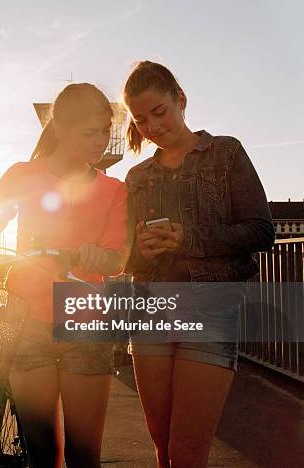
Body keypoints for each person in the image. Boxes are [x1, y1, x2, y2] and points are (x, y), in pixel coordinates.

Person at [0, 83, 129, 468]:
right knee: (41, 452)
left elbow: (119, 257)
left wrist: (98, 256)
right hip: (26, 320)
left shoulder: (113, 189)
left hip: (83, 321)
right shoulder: (22, 175)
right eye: (90, 132)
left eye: (106, 131)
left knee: (85, 455)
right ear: (62, 130)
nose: (101, 141)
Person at [122, 61, 275, 467]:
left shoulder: (226, 153)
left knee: (188, 454)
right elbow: (126, 258)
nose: (152, 125)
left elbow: (262, 230)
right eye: (141, 119)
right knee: (163, 451)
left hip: (210, 310)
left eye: (160, 111)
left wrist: (188, 238)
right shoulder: (137, 177)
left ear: (181, 100)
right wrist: (141, 249)